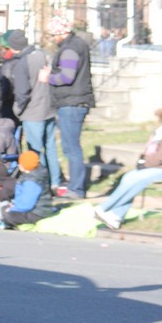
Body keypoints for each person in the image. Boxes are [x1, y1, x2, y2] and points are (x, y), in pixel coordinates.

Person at [93, 98, 162, 230]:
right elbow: (151, 148)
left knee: (138, 178)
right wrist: (142, 161)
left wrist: (146, 164)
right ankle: (116, 216)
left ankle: (104, 208)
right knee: (129, 177)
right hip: (154, 165)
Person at [45, 15, 94, 199]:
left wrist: (47, 77)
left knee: (71, 147)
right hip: (75, 101)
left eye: (54, 34)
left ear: (62, 33)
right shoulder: (77, 44)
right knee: (72, 146)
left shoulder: (70, 49)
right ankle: (76, 185)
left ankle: (76, 189)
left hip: (72, 103)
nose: (53, 38)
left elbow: (66, 77)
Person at [9, 29, 63, 194]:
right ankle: (55, 182)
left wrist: (17, 111)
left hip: (33, 113)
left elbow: (22, 93)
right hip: (49, 109)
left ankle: (42, 184)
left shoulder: (21, 63)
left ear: (13, 47)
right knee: (51, 148)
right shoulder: (42, 54)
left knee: (35, 152)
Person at [0, 150, 55, 229]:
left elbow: (26, 204)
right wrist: (14, 204)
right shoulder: (31, 175)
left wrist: (13, 208)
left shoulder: (32, 182)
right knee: (4, 208)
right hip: (36, 209)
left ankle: (4, 224)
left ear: (24, 166)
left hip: (38, 212)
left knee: (7, 214)